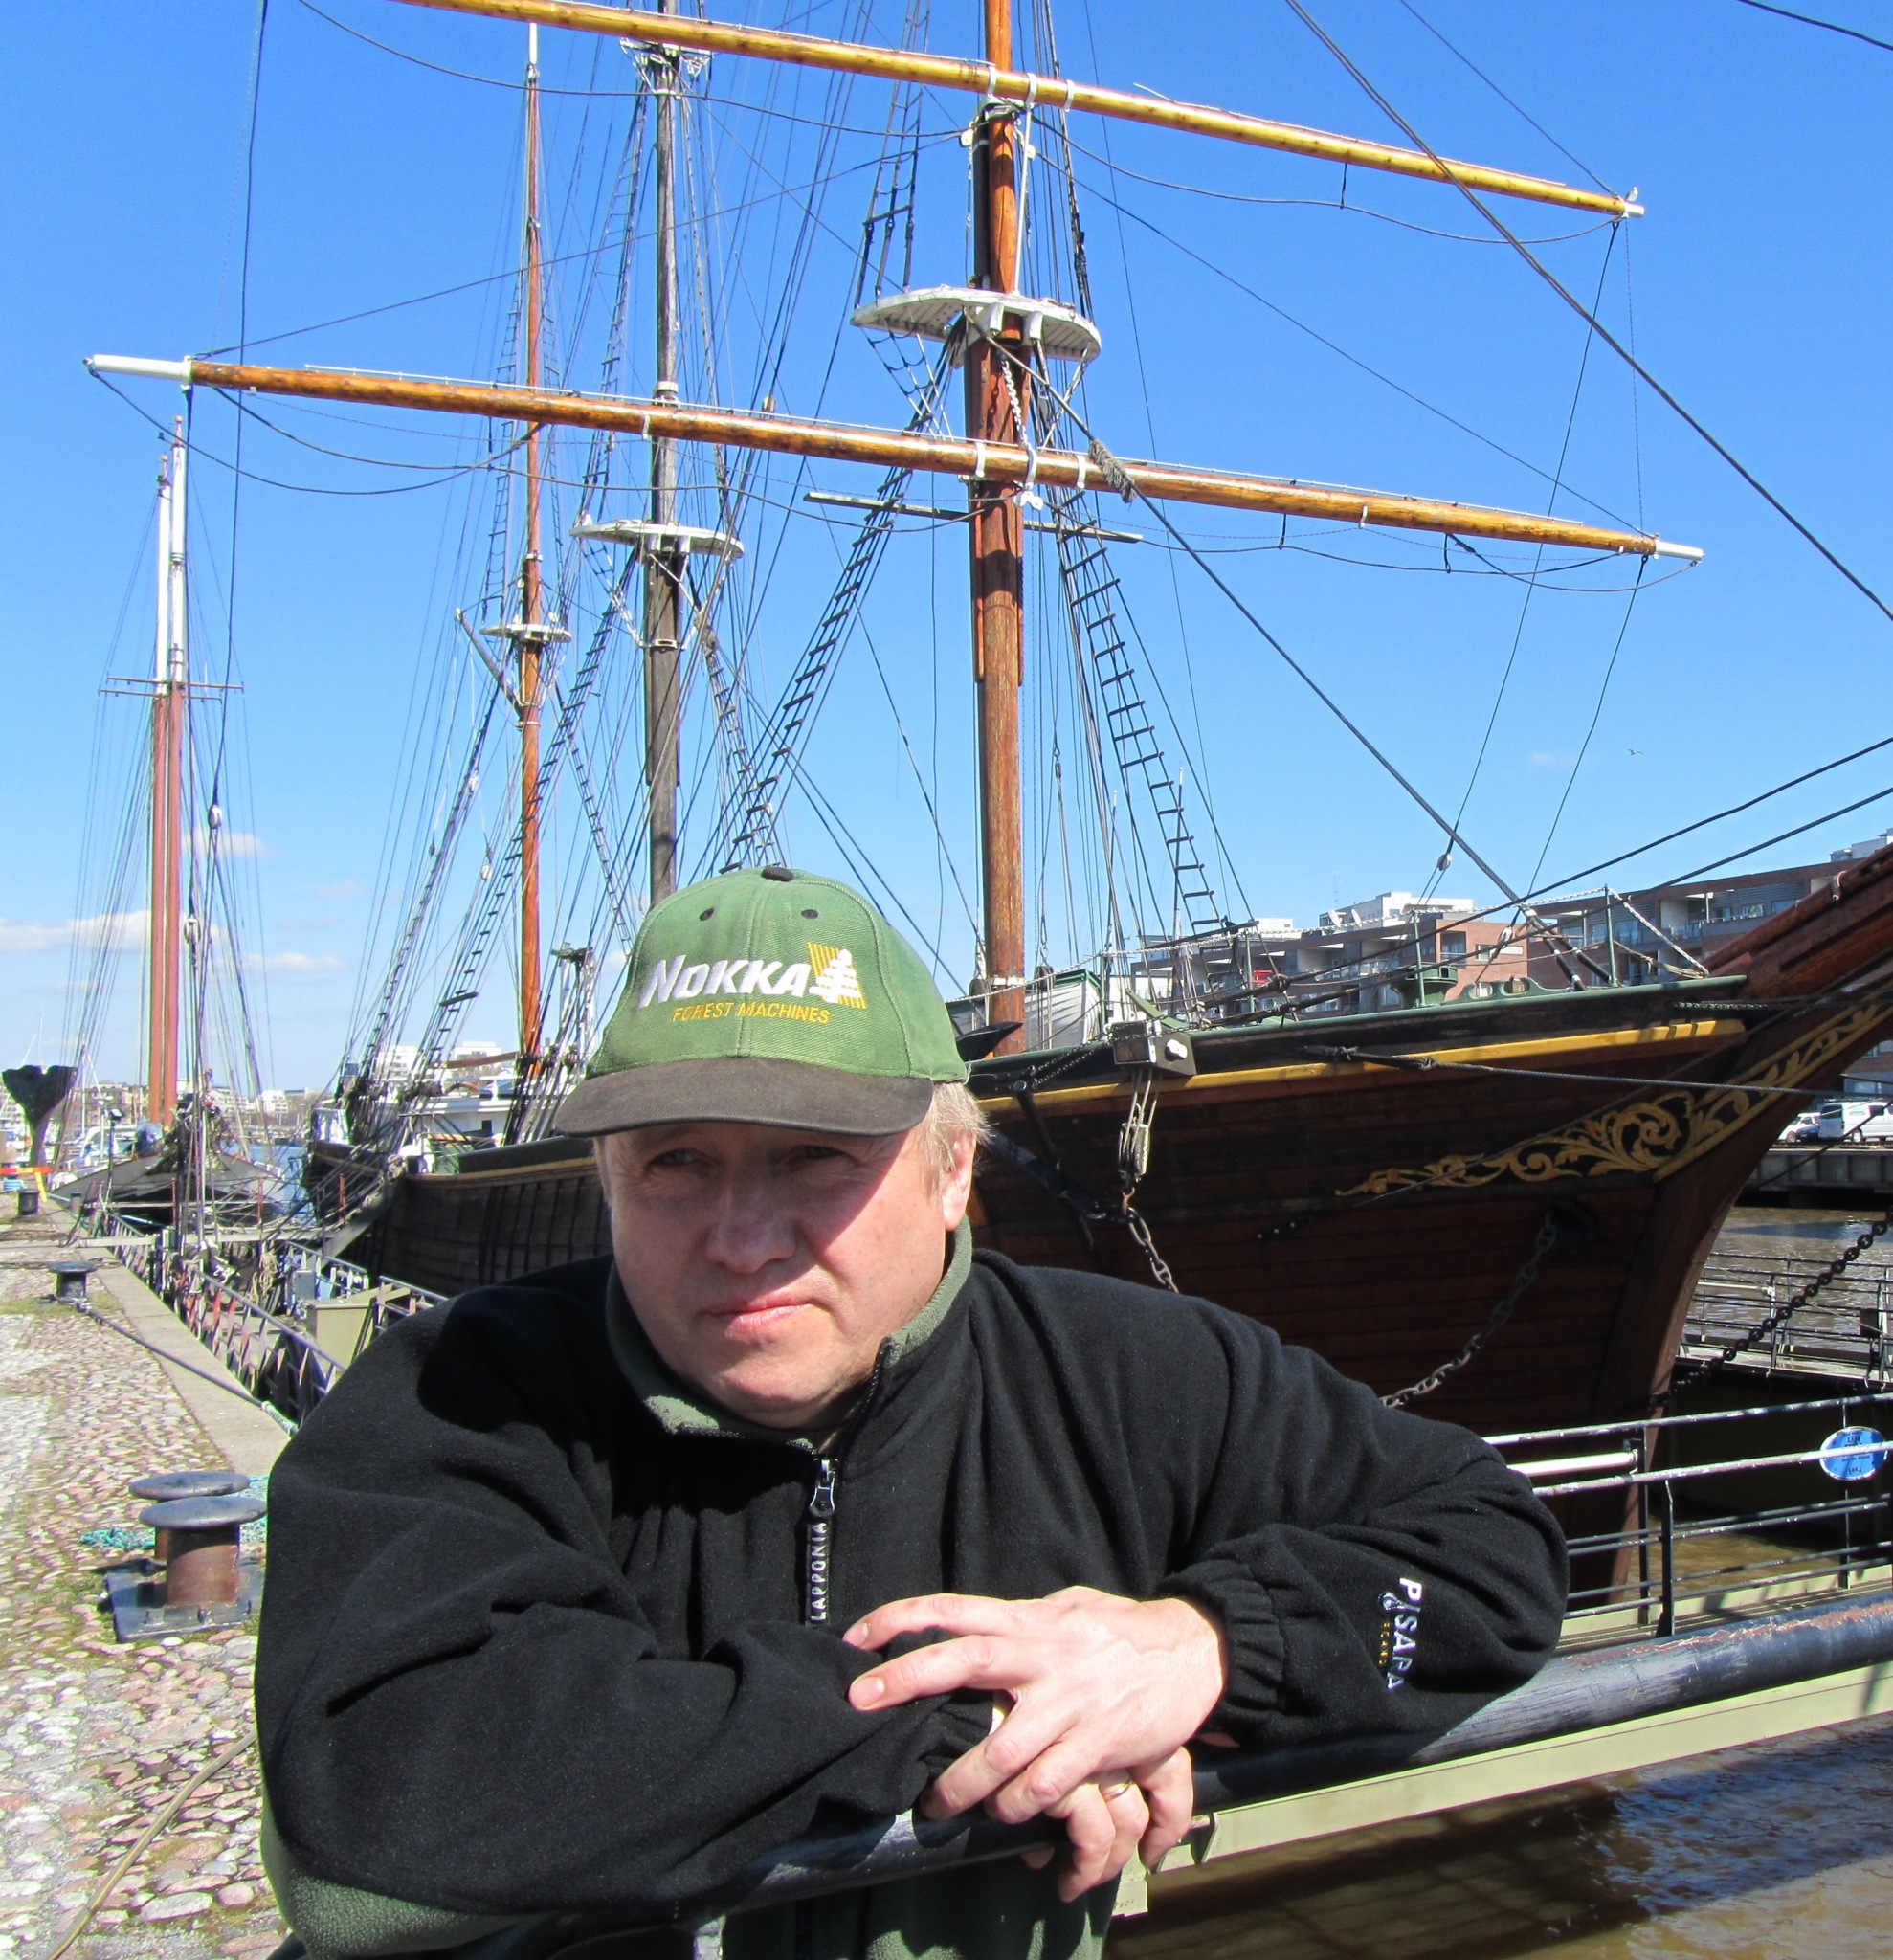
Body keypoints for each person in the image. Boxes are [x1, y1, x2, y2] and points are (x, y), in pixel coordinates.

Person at [256, 866, 1566, 1960]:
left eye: (814, 1158)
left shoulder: (1124, 1372)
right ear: (606, 1182)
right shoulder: (464, 1393)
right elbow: (382, 1790)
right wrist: (980, 1718)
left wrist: (1204, 1648)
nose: (743, 1238)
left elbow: (1491, 1554)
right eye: (676, 1163)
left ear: (952, 1172)